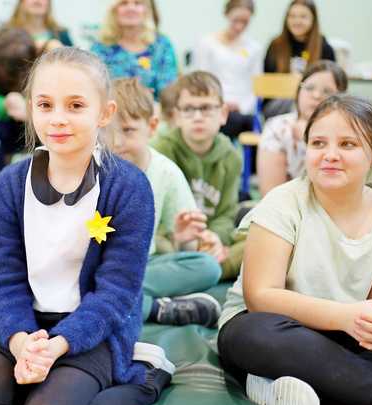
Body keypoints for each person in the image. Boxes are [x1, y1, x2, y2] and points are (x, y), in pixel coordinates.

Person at [0, 47, 171, 405]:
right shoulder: (10, 185)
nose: (58, 119)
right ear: (30, 108)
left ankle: (147, 375)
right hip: (22, 324)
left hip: (92, 329)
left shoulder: (129, 187)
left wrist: (58, 345)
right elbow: (4, 278)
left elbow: (116, 292)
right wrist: (19, 341)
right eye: (45, 105)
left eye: (75, 106)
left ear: (105, 113)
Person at [218, 94, 372, 405]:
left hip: (344, 337)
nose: (330, 155)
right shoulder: (283, 202)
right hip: (277, 326)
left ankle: (284, 386)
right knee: (253, 335)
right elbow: (260, 297)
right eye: (318, 143)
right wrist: (344, 316)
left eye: (347, 144)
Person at [111, 77, 222, 326]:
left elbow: (191, 247)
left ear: (151, 126)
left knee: (207, 266)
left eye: (128, 130)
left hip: (143, 268)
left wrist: (183, 239)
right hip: (97, 268)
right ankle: (152, 308)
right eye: (107, 131)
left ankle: (121, 302)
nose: (116, 142)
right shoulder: (93, 166)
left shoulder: (166, 172)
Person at [153, 71, 243, 280]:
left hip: (208, 241)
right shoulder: (160, 150)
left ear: (223, 113)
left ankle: (204, 268)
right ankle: (207, 270)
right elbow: (155, 215)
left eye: (206, 108)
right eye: (188, 109)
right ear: (176, 116)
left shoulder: (231, 157)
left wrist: (213, 238)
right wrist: (181, 239)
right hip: (171, 239)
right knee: (157, 246)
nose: (197, 116)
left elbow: (226, 214)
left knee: (257, 239)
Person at [257, 60, 347, 196]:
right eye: (309, 88)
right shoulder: (278, 128)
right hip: (283, 210)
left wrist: (309, 139)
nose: (316, 95)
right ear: (299, 91)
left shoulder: (348, 131)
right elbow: (270, 193)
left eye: (327, 91)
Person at [193, 0, 262, 140]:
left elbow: (256, 86)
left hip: (242, 109)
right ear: (226, 14)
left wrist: (241, 106)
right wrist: (220, 102)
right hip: (213, 103)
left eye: (245, 22)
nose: (239, 26)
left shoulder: (254, 48)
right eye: (236, 20)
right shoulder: (207, 43)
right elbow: (202, 80)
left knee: (238, 121)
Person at [0, 28, 38, 168]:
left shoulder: (35, 76)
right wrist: (4, 104)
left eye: (5, 67)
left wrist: (28, 113)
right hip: (1, 138)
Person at [91, 0, 177, 99]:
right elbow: (95, 90)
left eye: (137, 3)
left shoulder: (161, 45)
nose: (131, 8)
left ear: (146, 10)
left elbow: (169, 93)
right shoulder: (100, 47)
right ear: (114, 10)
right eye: (124, 3)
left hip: (153, 111)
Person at [264, 0, 336, 74]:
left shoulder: (324, 49)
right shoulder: (275, 45)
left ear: (313, 19)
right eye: (292, 16)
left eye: (303, 16)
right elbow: (267, 78)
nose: (297, 21)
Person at [5, 0, 73, 49]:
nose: (37, 1)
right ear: (21, 2)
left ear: (49, 4)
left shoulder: (61, 34)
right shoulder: (7, 34)